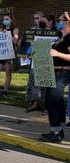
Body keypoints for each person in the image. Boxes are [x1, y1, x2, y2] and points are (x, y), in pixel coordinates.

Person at [39, 12, 70, 143]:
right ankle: (57, 131)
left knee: (53, 101)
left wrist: (57, 53)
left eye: (61, 20)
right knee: (53, 102)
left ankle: (57, 133)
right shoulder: (61, 37)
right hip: (53, 72)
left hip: (62, 73)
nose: (58, 22)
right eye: (58, 20)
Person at [26, 14, 55, 111]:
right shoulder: (36, 32)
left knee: (47, 84)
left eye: (44, 21)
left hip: (49, 62)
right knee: (34, 82)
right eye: (40, 21)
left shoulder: (56, 33)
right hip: (36, 61)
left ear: (50, 22)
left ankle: (47, 106)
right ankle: (35, 103)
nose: (41, 22)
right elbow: (25, 44)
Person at [0, 15, 19, 96]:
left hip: (9, 53)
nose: (5, 21)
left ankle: (5, 90)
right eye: (4, 19)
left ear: (11, 20)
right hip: (0, 54)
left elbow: (15, 41)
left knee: (8, 73)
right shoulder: (1, 29)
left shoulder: (15, 29)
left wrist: (8, 34)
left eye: (7, 19)